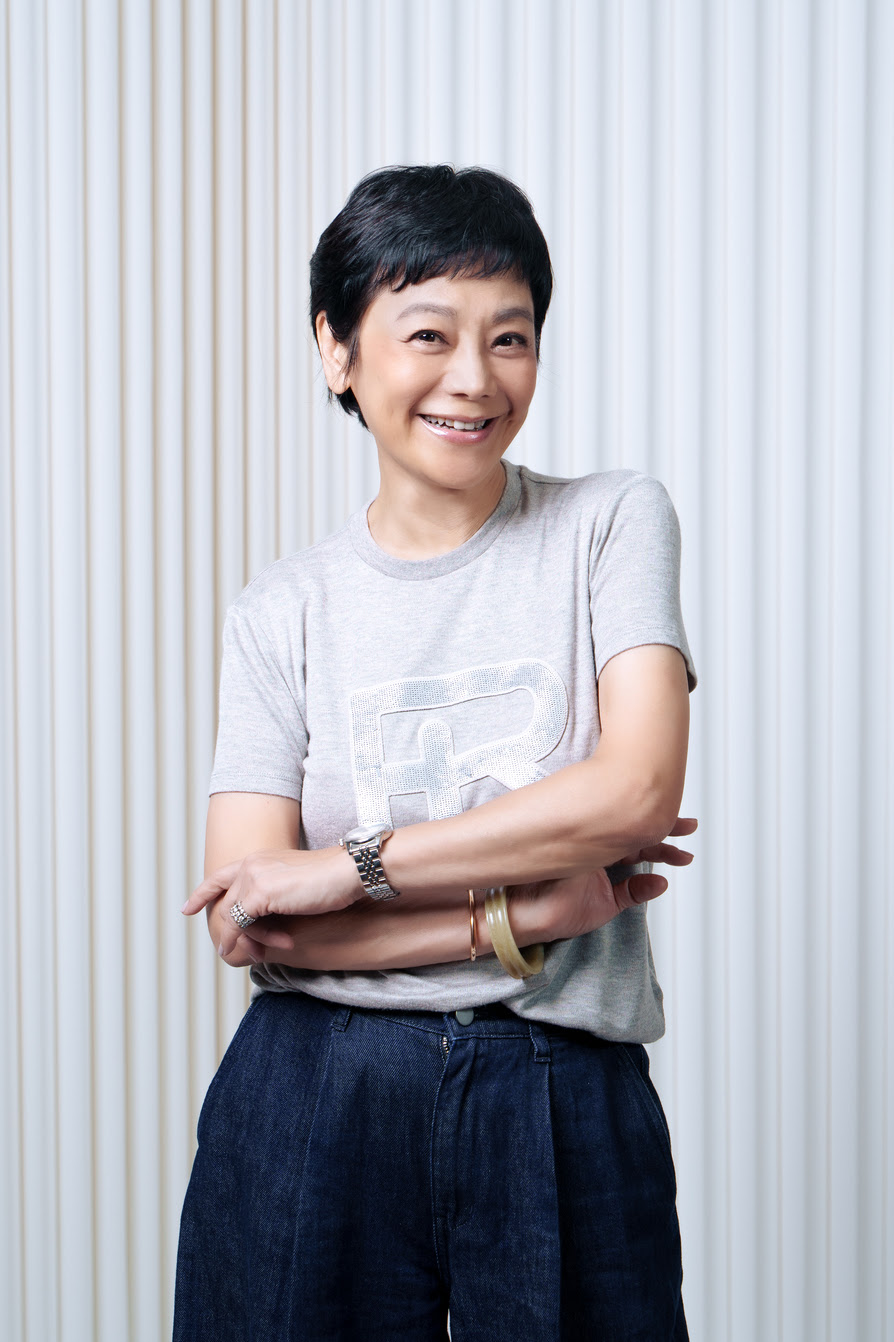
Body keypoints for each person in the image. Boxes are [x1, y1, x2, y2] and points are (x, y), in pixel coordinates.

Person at [174, 164, 697, 1341]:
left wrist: (347, 868)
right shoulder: (281, 611)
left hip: (560, 1089)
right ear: (337, 349)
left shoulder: (611, 523)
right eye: (429, 333)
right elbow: (248, 919)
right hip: (312, 1087)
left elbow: (635, 790)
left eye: (509, 337)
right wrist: (520, 917)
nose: (475, 377)